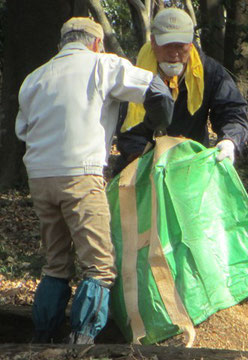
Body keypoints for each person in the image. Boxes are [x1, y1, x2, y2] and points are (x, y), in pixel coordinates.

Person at [15, 17, 174, 344]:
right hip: (81, 174)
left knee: (56, 264)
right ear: (96, 43)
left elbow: (24, 131)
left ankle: (42, 340)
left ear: (61, 45)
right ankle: (83, 343)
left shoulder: (34, 78)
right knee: (99, 266)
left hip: (40, 177)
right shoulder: (104, 64)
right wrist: (156, 129)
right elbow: (157, 91)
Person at [116, 7, 248, 170]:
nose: (174, 54)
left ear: (191, 43)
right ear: (153, 42)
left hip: (192, 166)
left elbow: (233, 111)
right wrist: (149, 159)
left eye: (180, 45)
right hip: (142, 165)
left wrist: (230, 141)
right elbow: (127, 131)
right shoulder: (134, 74)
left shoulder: (208, 72)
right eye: (167, 45)